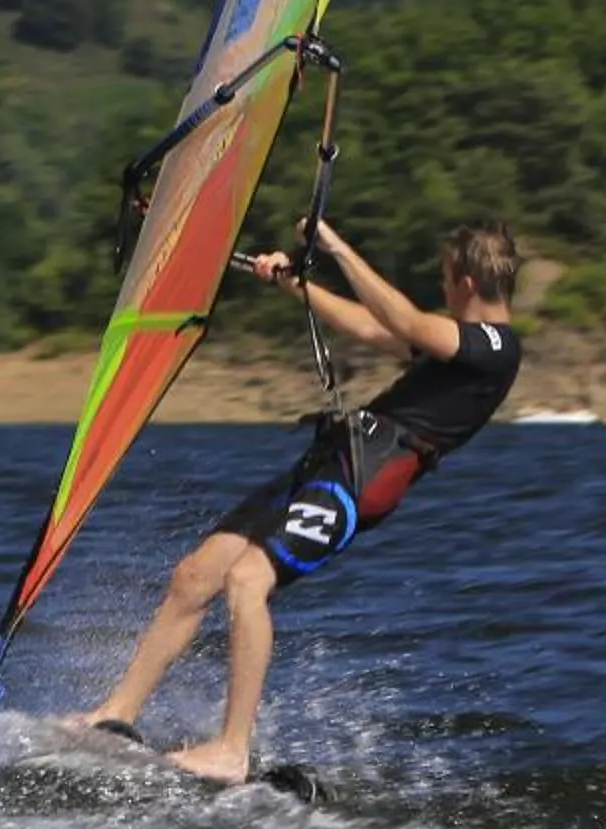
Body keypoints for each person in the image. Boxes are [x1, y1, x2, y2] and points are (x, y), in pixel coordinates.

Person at [69, 218, 526, 782]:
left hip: (357, 484)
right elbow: (371, 326)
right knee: (195, 576)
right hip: (331, 462)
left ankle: (231, 750)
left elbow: (405, 319)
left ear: (465, 281)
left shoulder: (496, 348)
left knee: (246, 582)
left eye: (444, 278)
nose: (443, 289)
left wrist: (332, 245)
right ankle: (117, 713)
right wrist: (297, 285)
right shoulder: (459, 343)